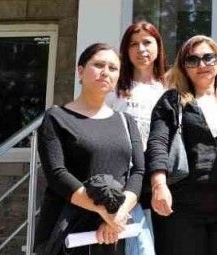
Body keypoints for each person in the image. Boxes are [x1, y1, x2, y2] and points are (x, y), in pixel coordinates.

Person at [146, 35, 217, 255]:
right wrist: (159, 185)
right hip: (183, 209)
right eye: (192, 60)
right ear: (183, 67)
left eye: (208, 58)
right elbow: (158, 143)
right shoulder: (173, 101)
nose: (202, 65)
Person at [37, 43, 146, 255]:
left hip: (115, 231)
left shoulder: (126, 121)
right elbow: (57, 174)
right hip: (69, 229)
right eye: (98, 65)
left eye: (113, 68)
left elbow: (138, 171)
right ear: (80, 71)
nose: (105, 72)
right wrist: (105, 212)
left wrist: (118, 214)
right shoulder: (57, 118)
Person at [112, 22, 169, 255]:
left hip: (159, 176)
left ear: (158, 46)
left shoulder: (168, 88)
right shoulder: (114, 88)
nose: (141, 49)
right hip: (124, 176)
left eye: (147, 42)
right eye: (134, 44)